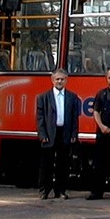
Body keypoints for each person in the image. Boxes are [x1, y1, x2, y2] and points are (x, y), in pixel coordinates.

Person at [36, 68, 80, 200]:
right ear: (52, 80)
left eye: (62, 79)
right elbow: (40, 118)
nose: (59, 81)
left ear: (66, 80)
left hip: (64, 133)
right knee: (46, 164)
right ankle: (44, 190)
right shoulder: (43, 97)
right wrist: (42, 134)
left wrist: (74, 134)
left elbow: (74, 118)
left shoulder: (72, 97)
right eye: (57, 79)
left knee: (63, 164)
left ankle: (60, 191)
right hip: (49, 134)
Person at [87, 68, 110, 200]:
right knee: (99, 163)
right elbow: (96, 111)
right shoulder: (101, 94)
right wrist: (102, 126)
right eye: (109, 77)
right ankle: (97, 192)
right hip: (103, 133)